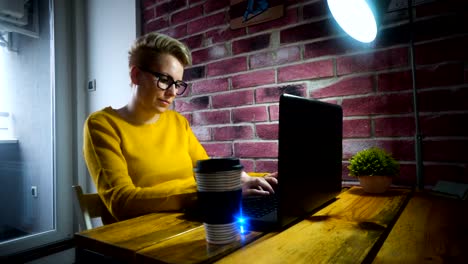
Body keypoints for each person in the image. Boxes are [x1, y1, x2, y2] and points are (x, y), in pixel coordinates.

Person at [83, 32, 278, 222]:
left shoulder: (177, 122)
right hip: (136, 239)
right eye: (165, 80)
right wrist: (215, 190)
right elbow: (122, 202)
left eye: (177, 84)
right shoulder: (102, 124)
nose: (173, 92)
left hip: (186, 223)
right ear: (136, 76)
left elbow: (209, 171)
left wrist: (264, 179)